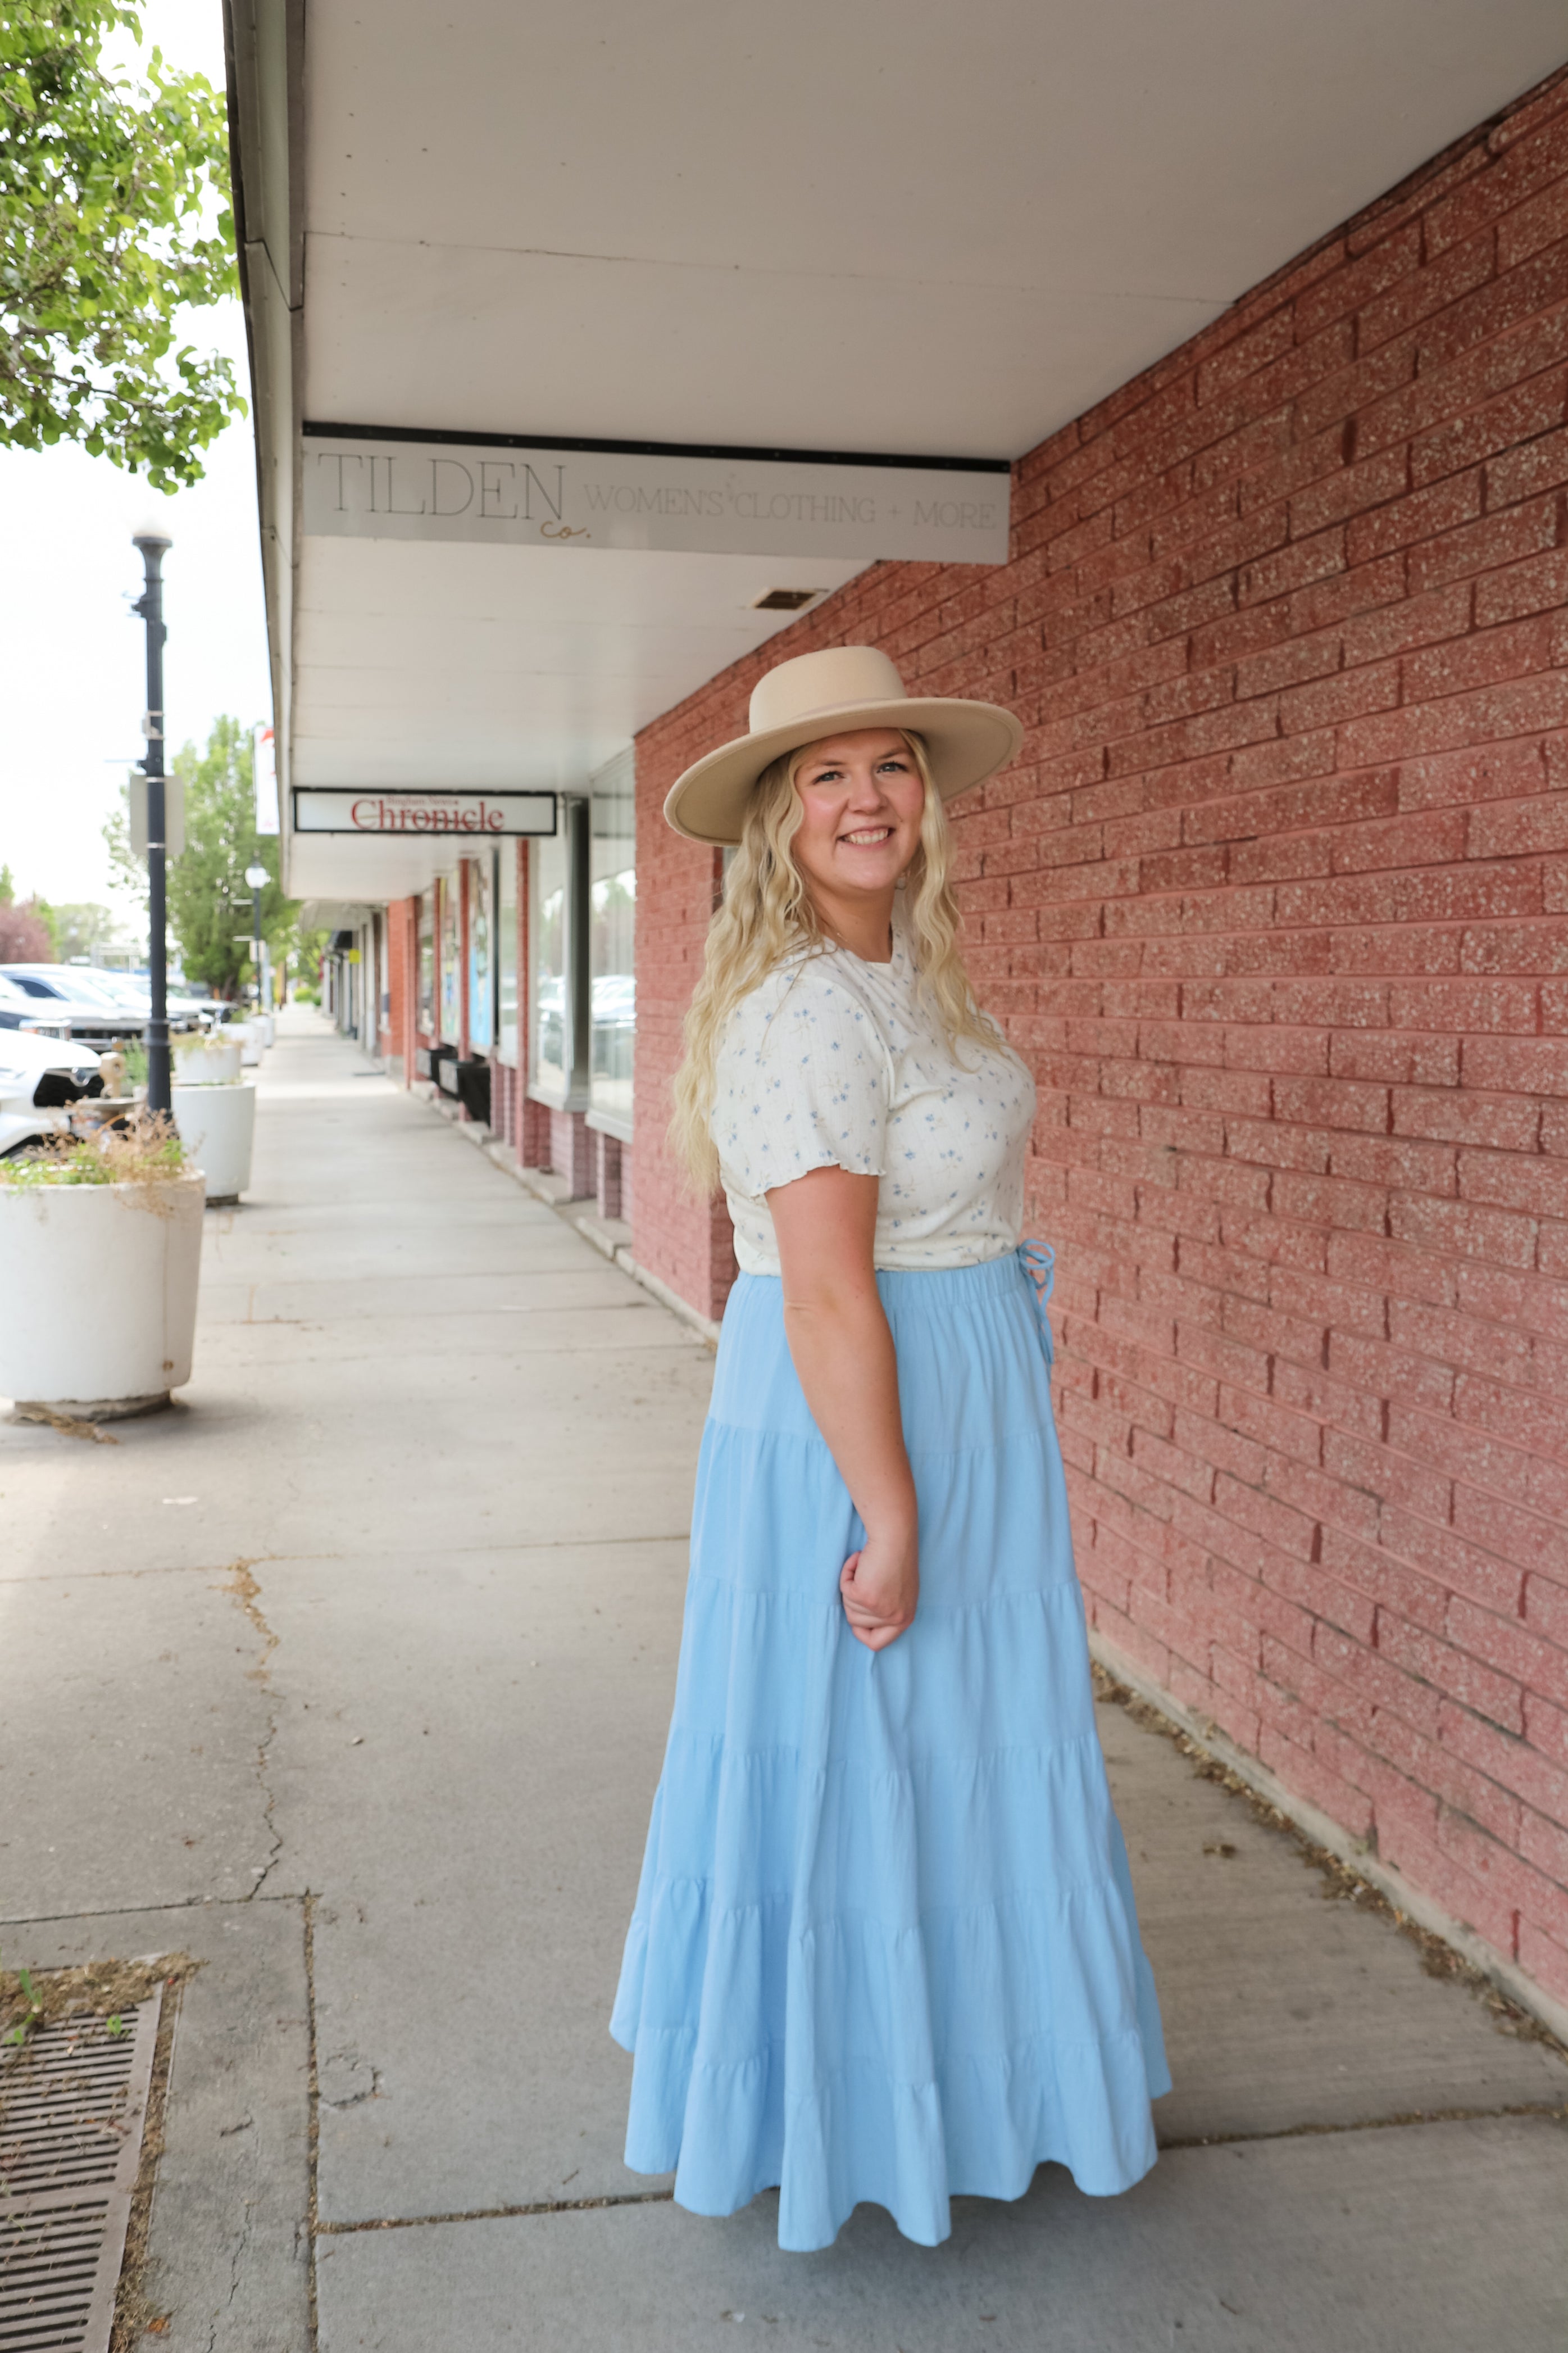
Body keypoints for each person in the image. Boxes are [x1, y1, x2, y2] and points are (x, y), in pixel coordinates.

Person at [611, 646, 1169, 2252]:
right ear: (783, 820)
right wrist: (889, 1509)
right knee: (857, 1759)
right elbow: (830, 1291)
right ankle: (846, 2105)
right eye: (830, 776)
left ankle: (982, 2086)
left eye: (892, 767)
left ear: (928, 800)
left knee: (961, 1755)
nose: (868, 798)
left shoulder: (915, 983)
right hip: (868, 1424)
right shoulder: (799, 1009)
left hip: (964, 1409)